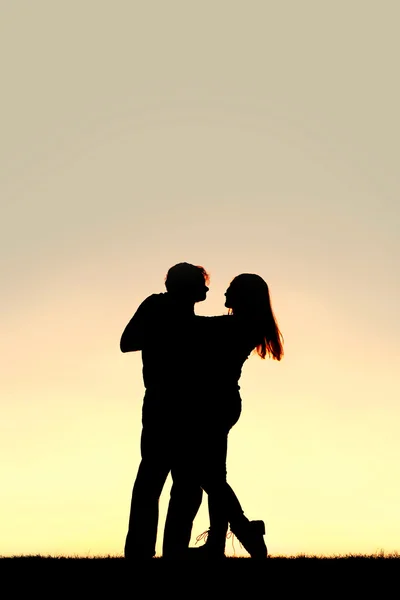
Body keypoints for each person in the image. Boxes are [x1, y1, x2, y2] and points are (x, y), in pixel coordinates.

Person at [163, 273, 284, 559]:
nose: (224, 294)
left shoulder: (237, 325)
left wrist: (171, 305)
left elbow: (191, 325)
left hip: (213, 406)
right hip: (220, 404)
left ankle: (243, 528)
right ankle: (217, 543)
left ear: (243, 296)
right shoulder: (243, 324)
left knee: (208, 476)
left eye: (230, 290)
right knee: (215, 474)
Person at [120, 262, 210, 560]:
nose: (206, 288)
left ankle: (170, 550)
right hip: (164, 402)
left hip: (183, 404)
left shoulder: (187, 316)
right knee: (158, 478)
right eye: (201, 283)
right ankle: (143, 551)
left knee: (181, 482)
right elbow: (127, 342)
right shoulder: (158, 305)